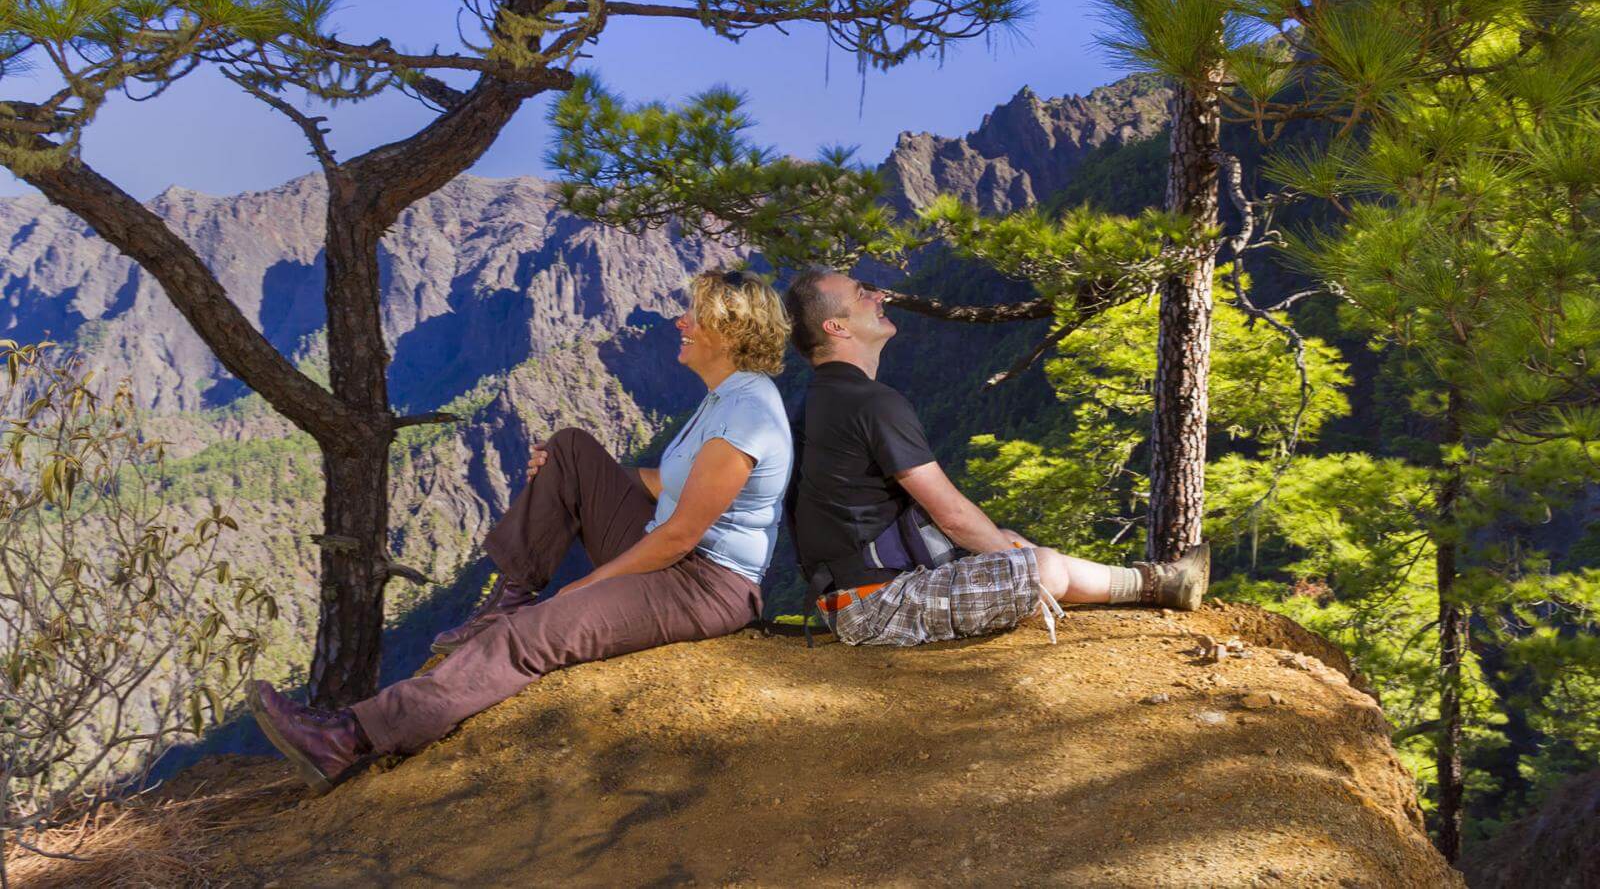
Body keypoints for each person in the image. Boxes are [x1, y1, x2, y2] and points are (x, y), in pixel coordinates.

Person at [250, 270, 795, 794]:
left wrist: (590, 584)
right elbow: (675, 484)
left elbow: (680, 536)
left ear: (730, 332)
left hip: (704, 583)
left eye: (694, 316)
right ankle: (510, 594)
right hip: (671, 549)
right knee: (569, 447)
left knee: (534, 635)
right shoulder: (725, 396)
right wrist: (581, 477)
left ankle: (348, 736)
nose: (680, 322)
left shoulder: (746, 413)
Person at [781, 267, 1209, 648]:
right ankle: (1154, 583)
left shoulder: (821, 398)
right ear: (836, 326)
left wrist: (1007, 552)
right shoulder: (868, 402)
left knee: (1011, 542)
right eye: (862, 295)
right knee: (1036, 566)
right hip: (877, 606)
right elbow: (950, 514)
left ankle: (1160, 583)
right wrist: (1015, 565)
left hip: (852, 597)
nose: (879, 297)